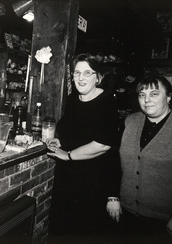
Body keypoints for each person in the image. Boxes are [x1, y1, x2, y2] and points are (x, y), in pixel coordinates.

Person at [118, 74, 172, 243]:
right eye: (142, 94)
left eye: (154, 94)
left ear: (169, 97)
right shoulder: (130, 121)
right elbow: (115, 163)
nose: (146, 100)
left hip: (166, 221)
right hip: (128, 215)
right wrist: (113, 197)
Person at [46, 53, 121, 242]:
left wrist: (68, 155)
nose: (80, 78)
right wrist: (60, 141)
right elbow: (72, 130)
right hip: (68, 180)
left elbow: (103, 144)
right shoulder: (73, 99)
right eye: (77, 73)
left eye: (87, 73)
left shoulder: (107, 102)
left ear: (99, 77)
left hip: (93, 182)